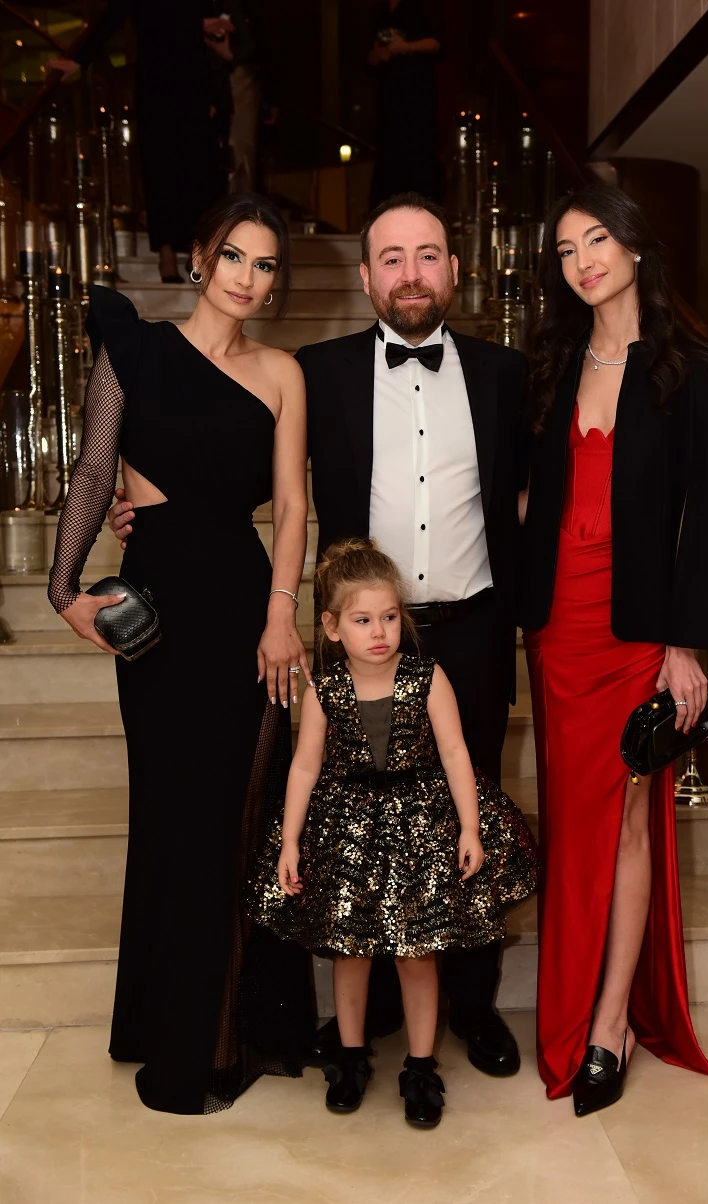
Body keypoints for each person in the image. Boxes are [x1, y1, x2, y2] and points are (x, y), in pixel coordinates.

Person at [107, 191, 530, 1079]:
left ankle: (472, 1003)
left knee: (470, 802)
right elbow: (236, 461)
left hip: (472, 631)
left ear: (455, 269)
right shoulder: (318, 370)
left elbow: (530, 501)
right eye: (391, 257)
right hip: (360, 641)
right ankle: (373, 1008)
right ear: (366, 276)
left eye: (427, 254)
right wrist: (140, 504)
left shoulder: (505, 375)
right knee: (359, 811)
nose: (410, 273)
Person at [48, 192, 314, 1114]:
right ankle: (167, 1026)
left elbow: (293, 506)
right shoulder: (136, 350)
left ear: (275, 283)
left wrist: (282, 614)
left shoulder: (282, 373)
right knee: (172, 818)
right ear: (200, 256)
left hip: (246, 609)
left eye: (265, 264)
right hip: (157, 610)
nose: (247, 276)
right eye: (234, 255)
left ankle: (224, 1032)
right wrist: (63, 593)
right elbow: (94, 469)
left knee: (237, 818)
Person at [519, 182, 708, 1116]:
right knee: (571, 824)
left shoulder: (691, 371)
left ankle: (610, 1023)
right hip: (558, 630)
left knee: (627, 821)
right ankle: (581, 1003)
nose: (582, 261)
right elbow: (530, 497)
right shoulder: (551, 364)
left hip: (637, 634)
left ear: (633, 246)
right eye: (565, 249)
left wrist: (683, 644)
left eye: (596, 240)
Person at [249, 538, 539, 1127]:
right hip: (348, 836)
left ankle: (421, 1066)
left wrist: (470, 827)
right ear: (332, 628)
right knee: (350, 953)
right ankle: (351, 1057)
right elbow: (304, 767)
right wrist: (291, 840)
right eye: (362, 620)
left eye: (388, 617)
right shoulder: (327, 690)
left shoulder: (426, 677)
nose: (379, 632)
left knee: (417, 955)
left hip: (420, 832)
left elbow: (455, 753)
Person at [49, 2, 231, 282]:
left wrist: (211, 95)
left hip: (193, 86)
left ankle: (196, 248)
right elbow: (113, 19)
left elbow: (197, 43)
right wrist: (78, 60)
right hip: (155, 85)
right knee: (159, 167)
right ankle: (166, 253)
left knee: (196, 168)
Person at [368, 1, 443, 206]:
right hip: (388, 98)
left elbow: (437, 42)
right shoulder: (378, 9)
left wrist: (406, 47)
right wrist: (378, 55)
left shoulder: (422, 5)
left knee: (418, 155)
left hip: (416, 96)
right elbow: (367, 56)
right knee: (389, 158)